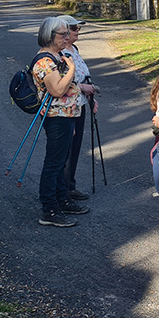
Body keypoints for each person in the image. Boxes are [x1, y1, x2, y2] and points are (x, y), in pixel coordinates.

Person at [31, 16, 90, 227]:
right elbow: (57, 90)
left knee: (60, 160)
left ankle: (62, 200)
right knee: (54, 163)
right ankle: (49, 210)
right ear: (50, 35)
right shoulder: (45, 61)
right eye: (63, 34)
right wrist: (72, 69)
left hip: (67, 116)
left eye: (68, 33)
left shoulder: (58, 55)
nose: (67, 37)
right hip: (57, 118)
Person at [59, 15, 96, 201]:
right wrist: (82, 88)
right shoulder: (59, 55)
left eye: (78, 29)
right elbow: (62, 83)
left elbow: (83, 76)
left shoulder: (74, 49)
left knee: (75, 149)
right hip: (66, 108)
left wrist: (91, 98)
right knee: (65, 150)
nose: (77, 32)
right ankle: (63, 190)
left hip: (79, 105)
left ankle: (69, 185)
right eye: (74, 29)